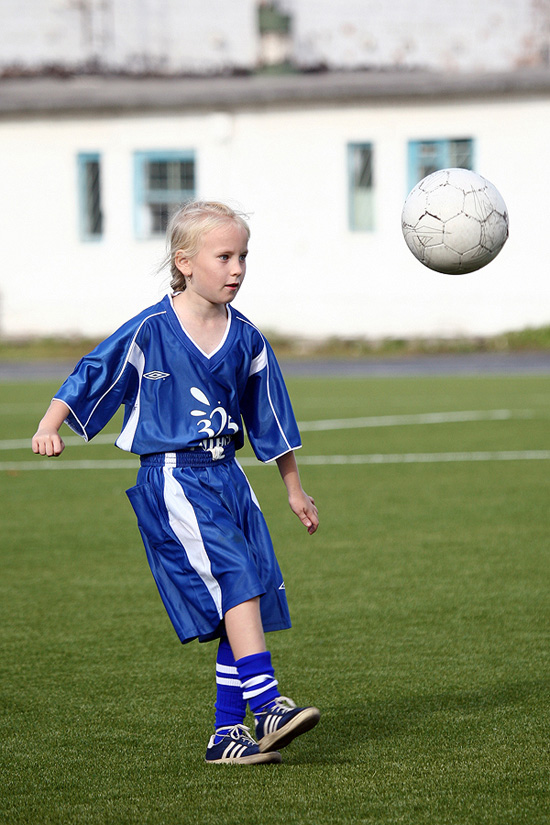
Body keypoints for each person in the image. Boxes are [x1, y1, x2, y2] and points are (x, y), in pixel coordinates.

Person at [32, 200, 320, 765]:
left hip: (229, 477)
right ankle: (268, 707)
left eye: (243, 256)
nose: (236, 268)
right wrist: (50, 423)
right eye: (224, 256)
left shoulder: (247, 338)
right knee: (235, 579)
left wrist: (293, 488)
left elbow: (272, 417)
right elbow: (94, 370)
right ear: (184, 262)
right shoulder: (152, 329)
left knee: (244, 600)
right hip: (174, 479)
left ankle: (225, 737)